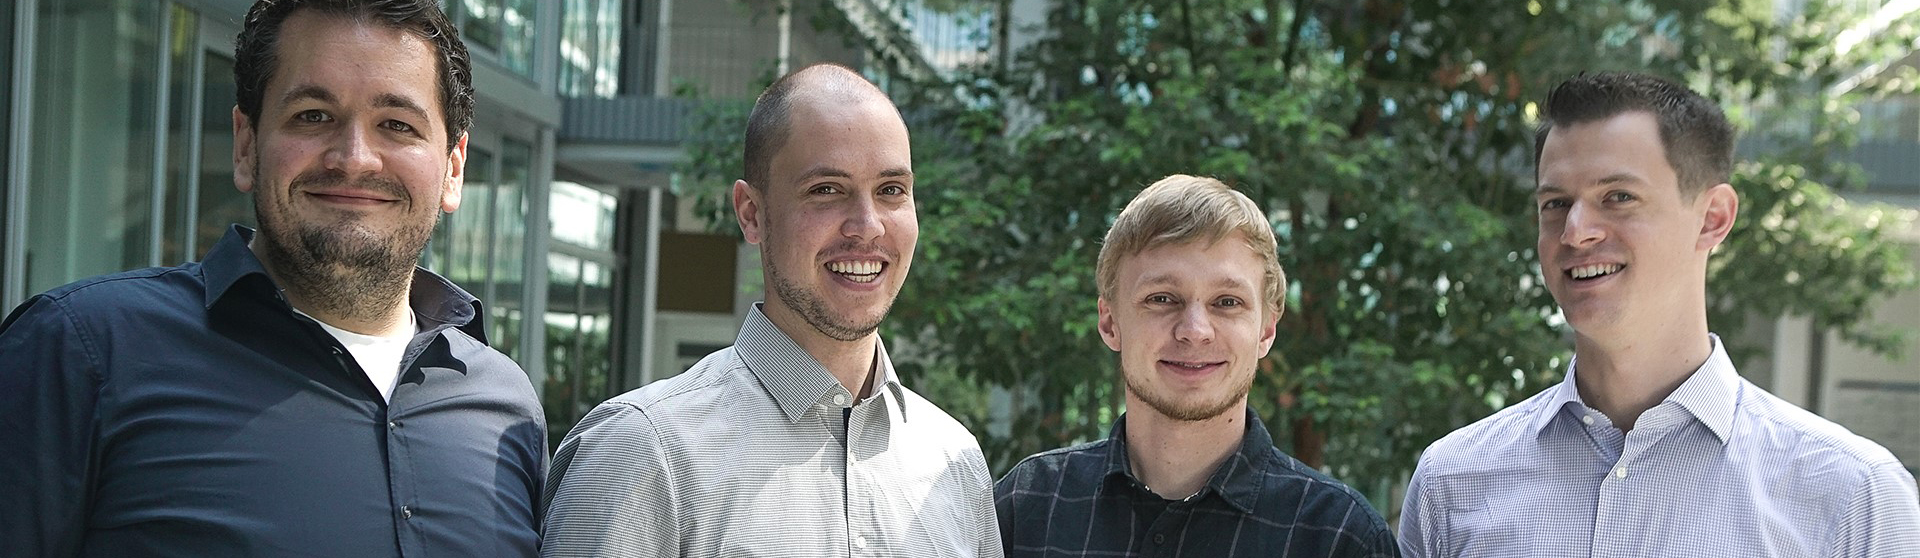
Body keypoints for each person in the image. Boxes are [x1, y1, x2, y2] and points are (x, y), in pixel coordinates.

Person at [0, 1, 546, 556]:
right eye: (312, 115)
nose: (354, 159)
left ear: (453, 168)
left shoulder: (505, 405)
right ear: (246, 144)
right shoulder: (81, 353)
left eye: (397, 125)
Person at [1398, 72, 1920, 557]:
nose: (1576, 231)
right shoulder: (1453, 483)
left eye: (1618, 197)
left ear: (1712, 218)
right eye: (1555, 203)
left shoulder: (1854, 496)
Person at [539, 63, 1001, 557]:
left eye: (891, 191)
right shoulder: (640, 453)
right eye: (826, 190)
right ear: (751, 214)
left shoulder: (955, 463)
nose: (867, 227)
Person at [994, 175, 1400, 557]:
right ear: (1110, 322)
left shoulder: (1339, 537)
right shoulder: (1026, 509)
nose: (1195, 331)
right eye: (1162, 298)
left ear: (1266, 330)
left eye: (1227, 302)